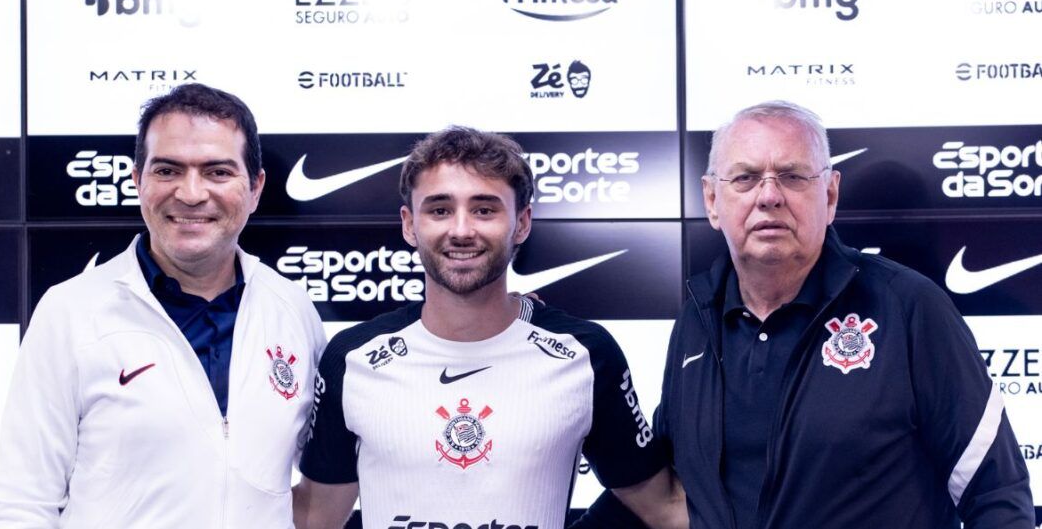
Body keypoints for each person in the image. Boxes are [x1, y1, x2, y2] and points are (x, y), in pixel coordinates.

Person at [655, 100, 1034, 528]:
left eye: (793, 176)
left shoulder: (909, 308)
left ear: (830, 194)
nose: (769, 196)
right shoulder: (697, 319)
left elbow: (996, 493)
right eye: (745, 178)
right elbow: (668, 490)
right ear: (711, 200)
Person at [293, 126, 687, 529]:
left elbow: (666, 509)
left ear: (522, 223)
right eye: (440, 210)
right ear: (410, 225)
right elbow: (314, 520)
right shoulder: (352, 359)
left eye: (484, 210)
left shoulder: (587, 355)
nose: (462, 231)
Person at [0, 83, 327, 528]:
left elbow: (326, 475)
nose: (191, 193)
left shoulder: (292, 310)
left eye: (217, 172)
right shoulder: (70, 312)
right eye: (168, 170)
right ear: (137, 180)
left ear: (255, 188)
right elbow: (22, 505)